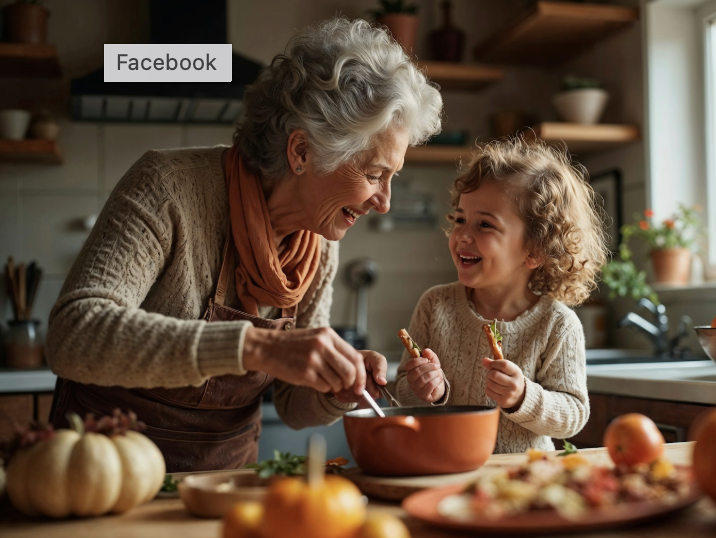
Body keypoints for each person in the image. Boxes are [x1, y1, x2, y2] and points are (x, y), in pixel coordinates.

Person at [45, 18, 442, 471]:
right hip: (106, 472)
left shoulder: (319, 240)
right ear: (301, 152)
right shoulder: (168, 188)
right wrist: (256, 347)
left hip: (225, 487)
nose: (384, 202)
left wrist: (336, 388)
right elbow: (73, 334)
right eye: (374, 175)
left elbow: (294, 407)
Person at [394, 137, 608, 453]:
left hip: (524, 482)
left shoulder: (557, 324)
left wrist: (524, 396)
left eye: (485, 225)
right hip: (445, 471)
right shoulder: (435, 305)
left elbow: (574, 413)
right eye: (460, 219)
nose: (463, 235)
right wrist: (427, 390)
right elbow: (400, 391)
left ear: (534, 250)